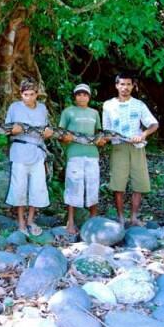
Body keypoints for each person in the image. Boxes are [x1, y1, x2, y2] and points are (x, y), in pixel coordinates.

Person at [103, 73, 158, 226]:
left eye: (128, 84)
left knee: (139, 182)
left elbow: (154, 124)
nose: (125, 87)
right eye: (121, 84)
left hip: (137, 147)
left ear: (133, 86)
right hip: (118, 146)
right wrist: (104, 139)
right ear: (116, 85)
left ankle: (134, 218)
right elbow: (106, 129)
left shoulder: (139, 105)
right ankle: (120, 218)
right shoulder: (108, 105)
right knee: (118, 183)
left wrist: (143, 134)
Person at [5, 78, 53, 236]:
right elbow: (6, 129)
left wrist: (48, 133)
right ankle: (20, 222)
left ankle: (31, 220)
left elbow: (46, 130)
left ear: (37, 94)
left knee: (37, 188)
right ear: (20, 94)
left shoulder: (42, 109)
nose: (29, 98)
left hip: (37, 151)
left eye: (32, 94)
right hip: (19, 150)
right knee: (19, 188)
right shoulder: (14, 107)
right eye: (26, 94)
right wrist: (13, 130)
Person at [59, 83, 106, 234]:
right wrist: (65, 138)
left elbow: (99, 134)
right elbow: (60, 134)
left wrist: (101, 140)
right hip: (74, 154)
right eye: (79, 94)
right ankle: (70, 222)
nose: (82, 96)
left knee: (92, 186)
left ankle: (93, 221)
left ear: (89, 97)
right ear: (75, 96)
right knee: (73, 187)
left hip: (92, 155)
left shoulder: (94, 113)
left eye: (85, 94)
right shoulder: (68, 112)